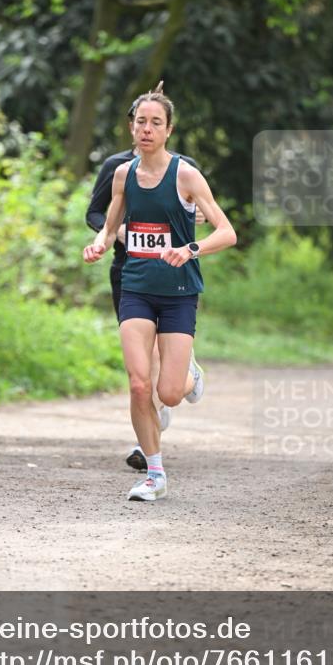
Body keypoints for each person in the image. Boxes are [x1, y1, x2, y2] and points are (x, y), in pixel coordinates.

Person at [83, 89, 237, 502]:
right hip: (135, 286)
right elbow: (111, 224)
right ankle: (154, 474)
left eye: (155, 123)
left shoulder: (185, 175)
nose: (146, 129)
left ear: (168, 130)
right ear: (131, 127)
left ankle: (189, 374)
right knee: (138, 385)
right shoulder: (122, 174)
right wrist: (99, 244)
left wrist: (190, 248)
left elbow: (227, 231)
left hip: (179, 291)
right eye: (140, 122)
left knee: (169, 392)